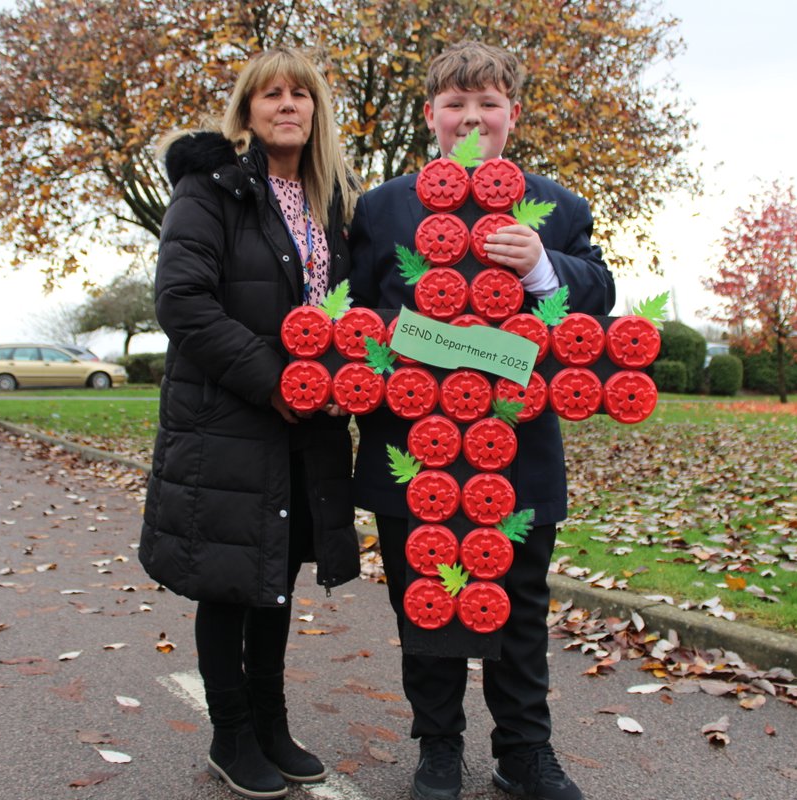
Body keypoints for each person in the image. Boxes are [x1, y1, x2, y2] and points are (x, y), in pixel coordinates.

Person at [349, 41, 614, 800]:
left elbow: (596, 295)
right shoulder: (383, 207)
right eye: (456, 104)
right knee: (423, 596)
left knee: (522, 603)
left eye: (488, 104)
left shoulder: (558, 208)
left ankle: (523, 751)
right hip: (416, 451)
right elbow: (359, 314)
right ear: (430, 114)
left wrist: (541, 268)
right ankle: (438, 748)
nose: (472, 118)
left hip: (518, 449)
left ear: (513, 114)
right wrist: (413, 341)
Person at [138, 48, 361, 800]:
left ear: (317, 109)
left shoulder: (336, 200)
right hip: (231, 421)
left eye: (301, 94)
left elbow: (348, 311)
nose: (286, 105)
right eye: (271, 94)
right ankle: (230, 732)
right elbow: (183, 302)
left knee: (278, 573)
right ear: (247, 109)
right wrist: (277, 383)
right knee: (231, 583)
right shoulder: (211, 190)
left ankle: (271, 721)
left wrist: (345, 380)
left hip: (313, 426)